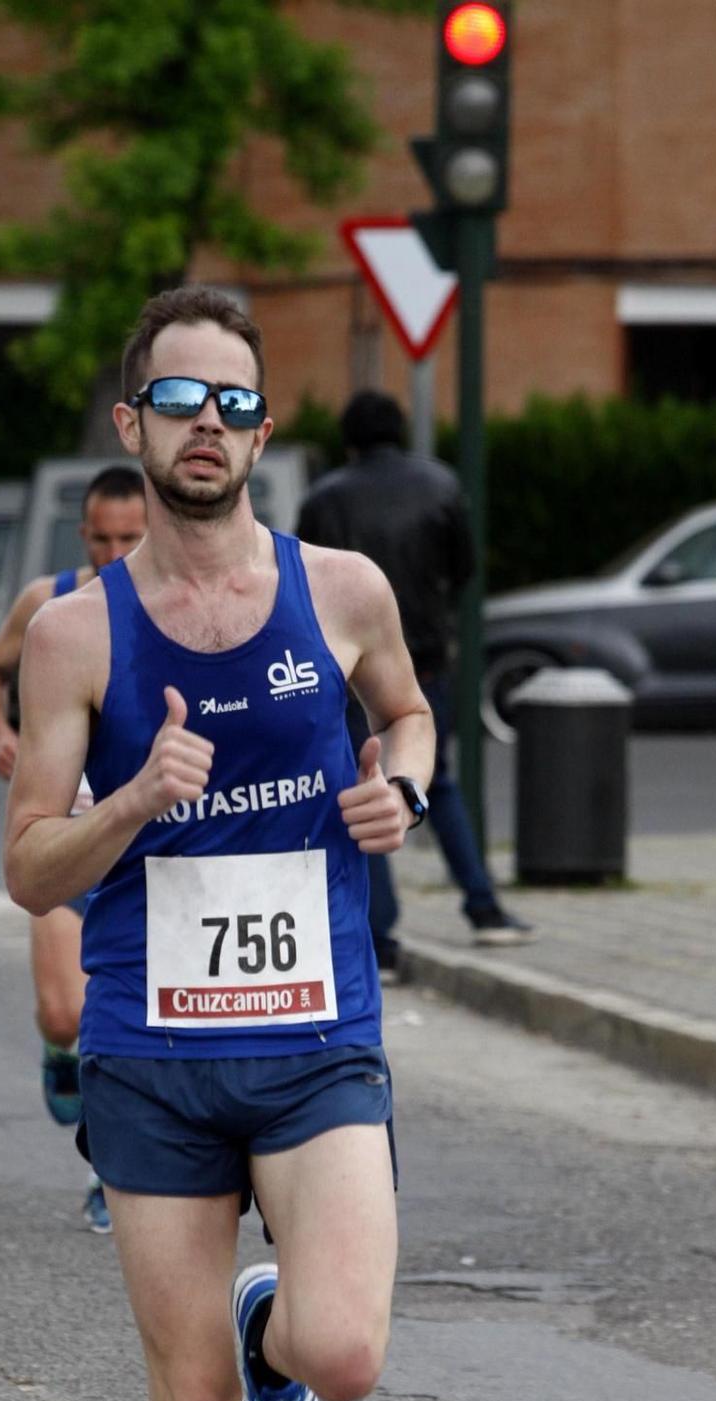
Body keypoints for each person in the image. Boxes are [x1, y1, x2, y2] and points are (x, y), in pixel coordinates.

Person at [3, 286, 435, 1401]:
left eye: (235, 404)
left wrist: (404, 793)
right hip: (152, 1054)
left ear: (264, 427)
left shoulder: (344, 591)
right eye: (180, 402)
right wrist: (132, 803)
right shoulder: (74, 634)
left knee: (346, 1353)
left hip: (318, 1039)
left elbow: (411, 718)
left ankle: (277, 1348)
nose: (209, 426)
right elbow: (30, 867)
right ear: (131, 428)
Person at [297, 390, 531, 978]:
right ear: (400, 431)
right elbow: (465, 569)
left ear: (348, 440)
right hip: (423, 659)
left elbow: (303, 577)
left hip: (345, 667)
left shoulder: (326, 498)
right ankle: (484, 906)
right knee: (436, 777)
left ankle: (380, 936)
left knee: (361, 783)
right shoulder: (441, 485)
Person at [0, 466, 147, 1233]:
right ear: (84, 534)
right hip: (68, 842)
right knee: (60, 1009)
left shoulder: (173, 607)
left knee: (130, 1020)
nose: (114, 554)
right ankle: (57, 1051)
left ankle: (110, 1175)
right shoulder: (49, 603)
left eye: (130, 539)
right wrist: (2, 734)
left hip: (145, 850)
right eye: (102, 538)